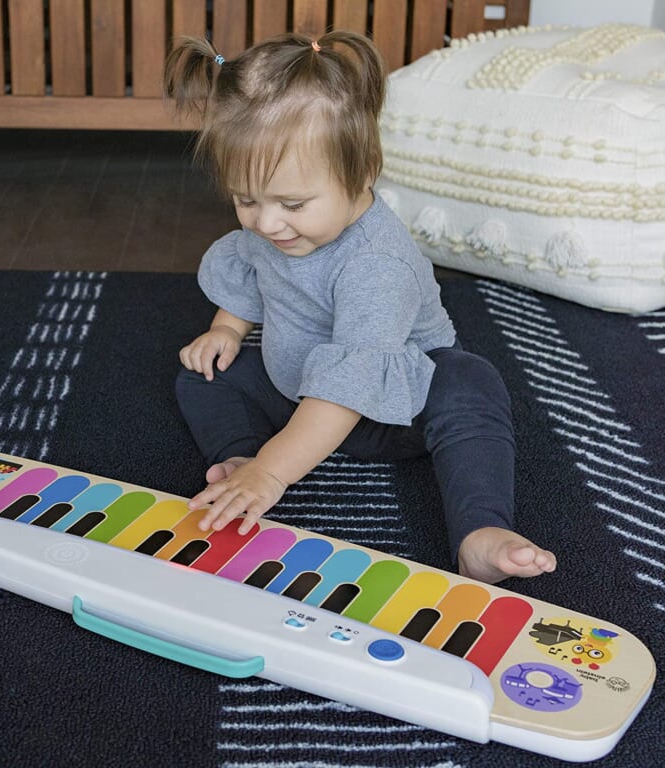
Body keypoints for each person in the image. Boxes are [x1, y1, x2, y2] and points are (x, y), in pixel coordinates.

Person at [164, 31, 556, 584]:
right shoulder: (274, 229)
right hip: (295, 389)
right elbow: (249, 269)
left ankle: (480, 531)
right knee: (201, 374)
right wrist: (227, 329)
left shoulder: (377, 264)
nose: (267, 222)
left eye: (293, 204)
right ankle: (241, 460)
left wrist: (277, 475)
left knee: (471, 386)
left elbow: (350, 386)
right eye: (246, 199)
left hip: (396, 408)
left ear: (363, 173)